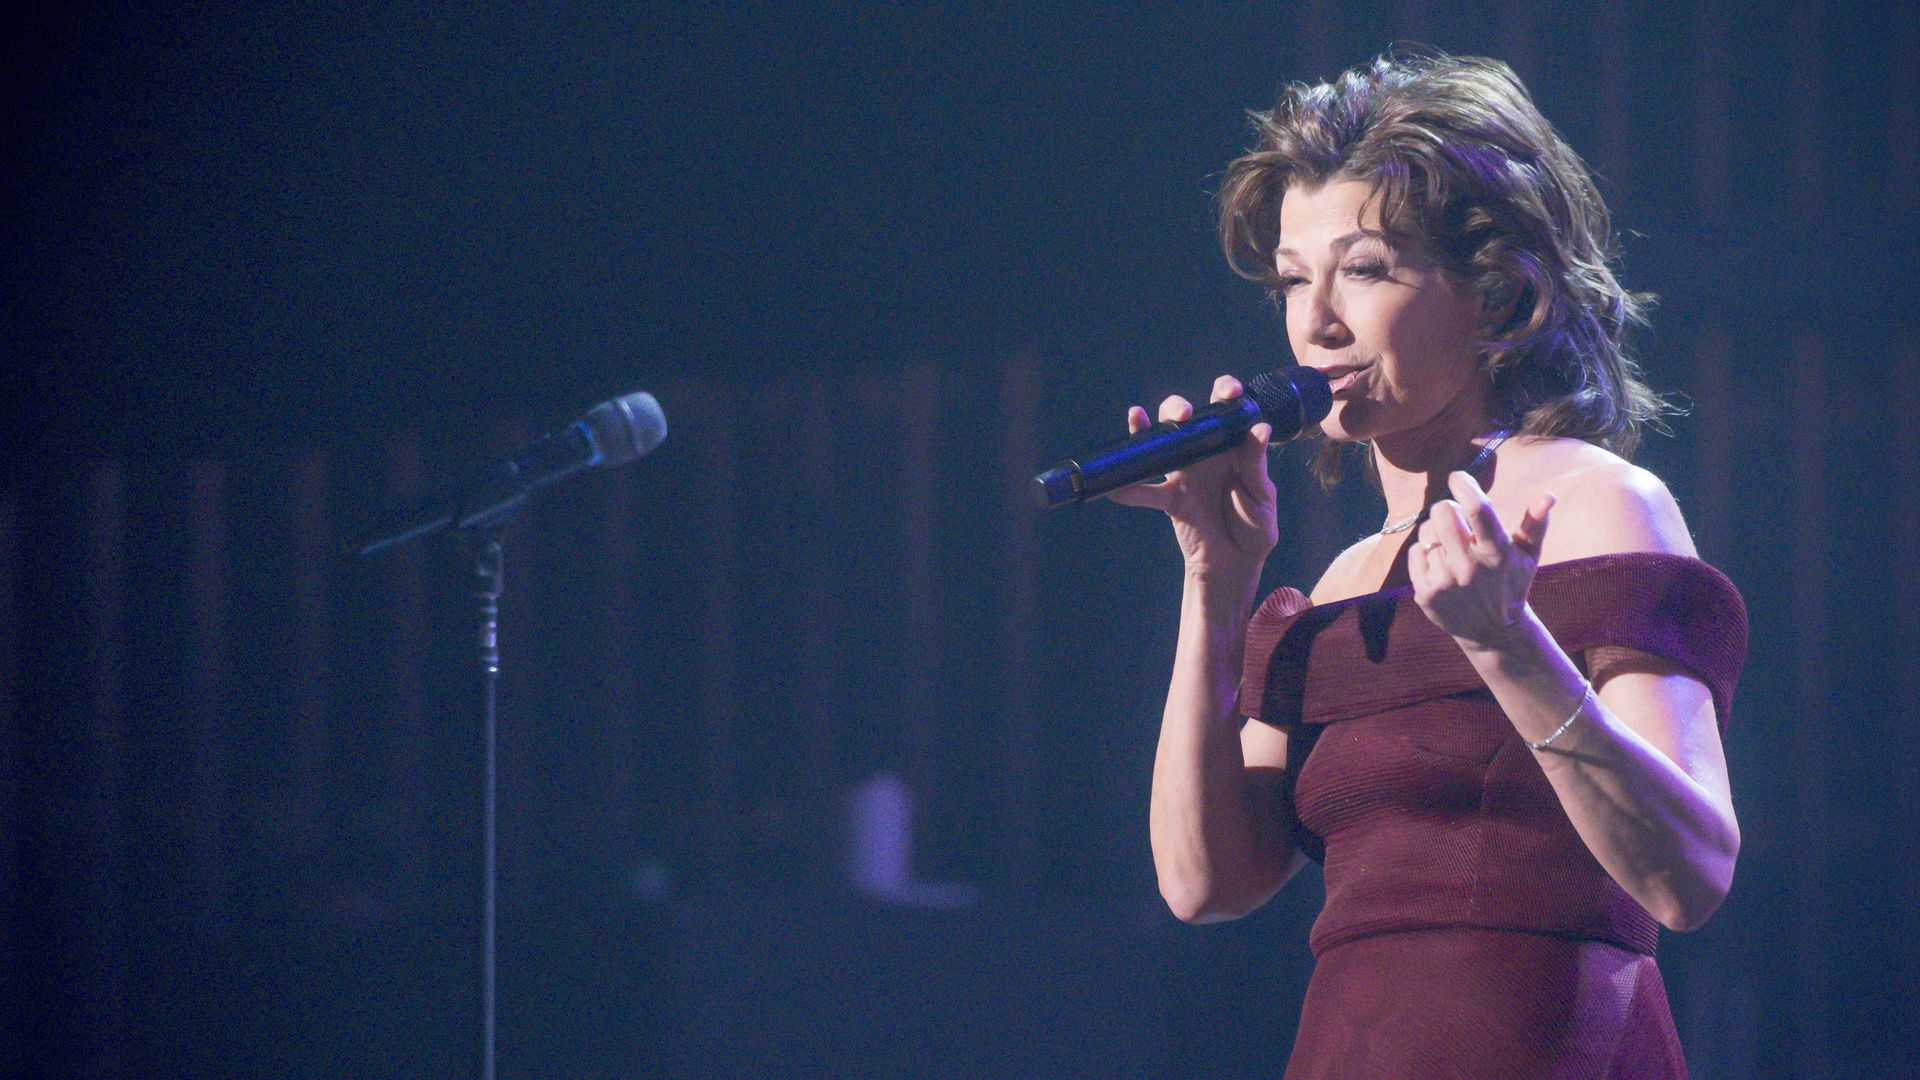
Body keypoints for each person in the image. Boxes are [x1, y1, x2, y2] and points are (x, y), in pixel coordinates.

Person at [1110, 52, 1746, 1077]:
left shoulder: (1595, 503)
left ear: (1493, 293)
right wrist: (1214, 586)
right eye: (1291, 280)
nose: (1315, 324)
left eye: (1364, 269)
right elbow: (1203, 883)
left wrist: (1508, 644)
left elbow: (1690, 873)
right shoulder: (1340, 584)